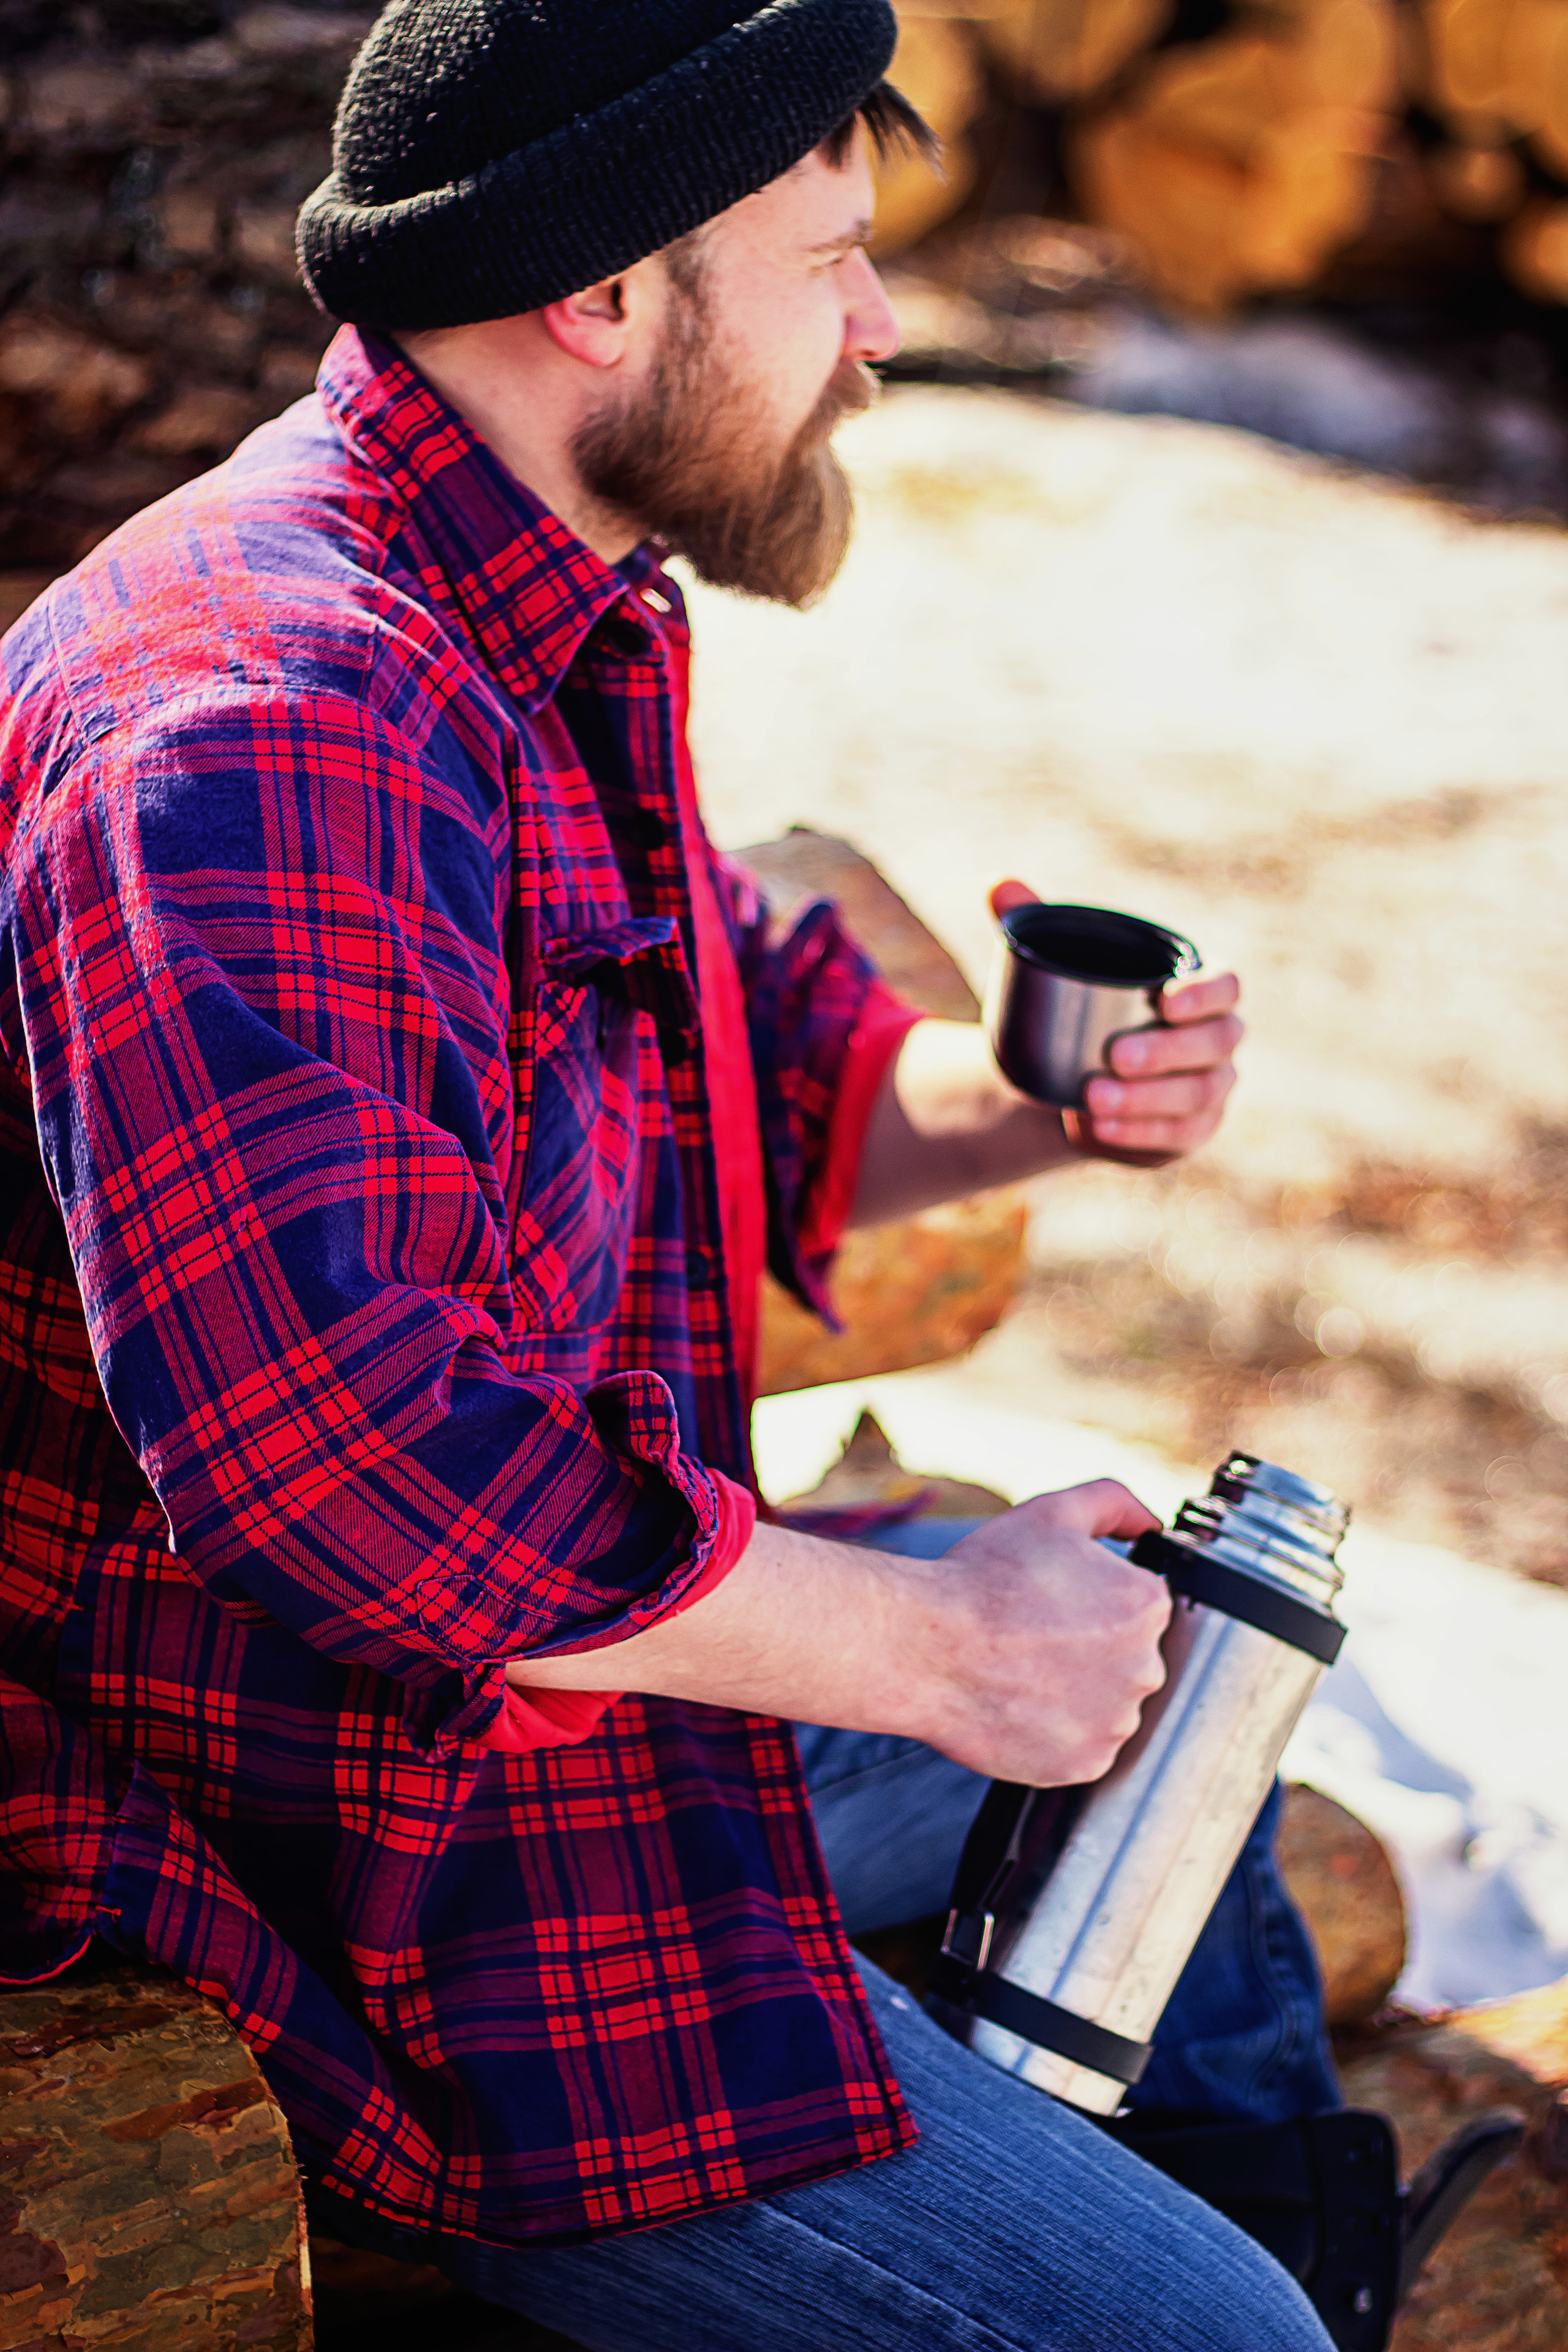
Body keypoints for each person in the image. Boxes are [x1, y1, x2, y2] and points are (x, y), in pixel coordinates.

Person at [0, 4, 1337, 2345]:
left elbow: (765, 1073)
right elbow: (350, 1468)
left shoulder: (526, 616)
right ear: (601, 298)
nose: (887, 325)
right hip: (318, 1874)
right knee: (1209, 2342)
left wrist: (1035, 1104)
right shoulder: (266, 724)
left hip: (530, 1750)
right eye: (834, 255)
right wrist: (936, 1651)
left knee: (1161, 1754)